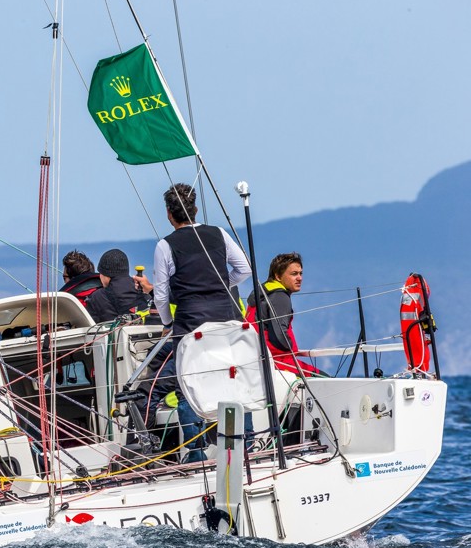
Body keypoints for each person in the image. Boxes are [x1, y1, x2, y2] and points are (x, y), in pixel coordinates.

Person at [145, 183, 251, 461]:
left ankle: (196, 452)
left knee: (188, 384)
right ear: (195, 209)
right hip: (225, 317)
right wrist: (220, 285)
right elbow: (244, 269)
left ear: (169, 214)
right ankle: (244, 443)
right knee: (230, 376)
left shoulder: (165, 245)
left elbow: (160, 295)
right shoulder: (218, 233)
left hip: (190, 322)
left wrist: (167, 322)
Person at [245, 252, 321, 376]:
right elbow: (279, 337)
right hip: (279, 363)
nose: (300, 278)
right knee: (326, 379)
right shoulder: (280, 296)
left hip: (259, 362)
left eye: (300, 273)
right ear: (278, 276)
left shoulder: (262, 294)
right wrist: (291, 347)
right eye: (294, 274)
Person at [85, 248, 153, 323]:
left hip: (115, 330)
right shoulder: (144, 290)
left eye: (100, 273)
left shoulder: (96, 297)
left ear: (106, 275)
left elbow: (89, 325)